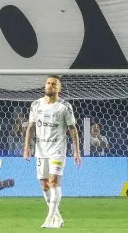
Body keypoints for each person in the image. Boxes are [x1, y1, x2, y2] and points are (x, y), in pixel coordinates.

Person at [19, 75, 81, 230]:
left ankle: (49, 218)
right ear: (44, 86)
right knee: (44, 184)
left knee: (53, 181)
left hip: (57, 150)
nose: (50, 86)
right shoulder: (36, 105)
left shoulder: (65, 107)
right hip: (40, 150)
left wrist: (76, 151)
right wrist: (26, 147)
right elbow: (31, 127)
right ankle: (57, 217)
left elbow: (72, 130)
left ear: (59, 88)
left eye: (54, 84)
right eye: (48, 83)